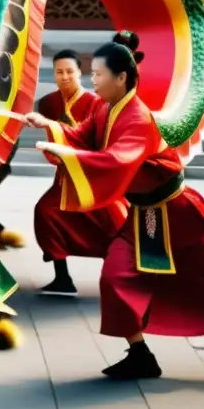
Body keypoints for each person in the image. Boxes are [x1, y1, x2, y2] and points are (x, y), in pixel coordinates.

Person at [26, 32, 204, 380]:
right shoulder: (106, 110)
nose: (93, 80)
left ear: (121, 78)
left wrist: (70, 154)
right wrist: (49, 125)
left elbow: (116, 160)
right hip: (142, 216)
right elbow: (82, 135)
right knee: (115, 276)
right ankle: (140, 355)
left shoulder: (138, 118)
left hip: (176, 212)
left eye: (99, 74)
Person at [33, 49, 126, 296]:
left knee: (115, 223)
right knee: (47, 212)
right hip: (66, 178)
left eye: (69, 72)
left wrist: (54, 129)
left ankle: (121, 278)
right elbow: (54, 144)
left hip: (94, 177)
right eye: (59, 72)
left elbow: (98, 141)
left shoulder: (97, 103)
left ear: (80, 73)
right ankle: (62, 278)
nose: (64, 77)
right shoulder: (49, 103)